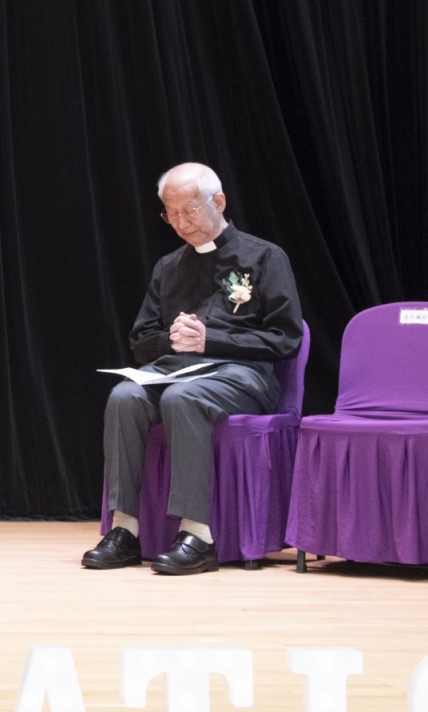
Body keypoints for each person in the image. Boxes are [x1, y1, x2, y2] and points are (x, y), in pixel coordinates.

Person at [82, 162, 304, 575]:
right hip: (176, 371)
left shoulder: (265, 257)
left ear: (218, 201)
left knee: (183, 398)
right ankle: (124, 530)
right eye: (172, 215)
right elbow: (140, 340)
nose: (182, 224)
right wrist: (171, 340)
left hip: (241, 375)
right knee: (124, 397)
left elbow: (285, 339)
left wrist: (210, 341)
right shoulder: (169, 267)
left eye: (190, 211)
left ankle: (198, 536)